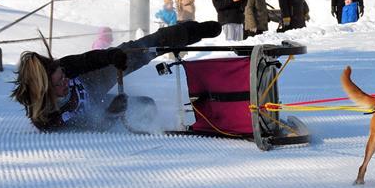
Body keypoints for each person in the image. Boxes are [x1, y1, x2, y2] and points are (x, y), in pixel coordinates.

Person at [11, 20, 222, 131]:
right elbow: (89, 128)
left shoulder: (64, 67)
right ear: (46, 91)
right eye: (60, 83)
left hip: (91, 82)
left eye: (64, 75)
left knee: (134, 51)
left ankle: (189, 31)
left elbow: (88, 60)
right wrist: (111, 114)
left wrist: (112, 55)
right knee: (145, 105)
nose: (65, 81)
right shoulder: (49, 119)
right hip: (96, 105)